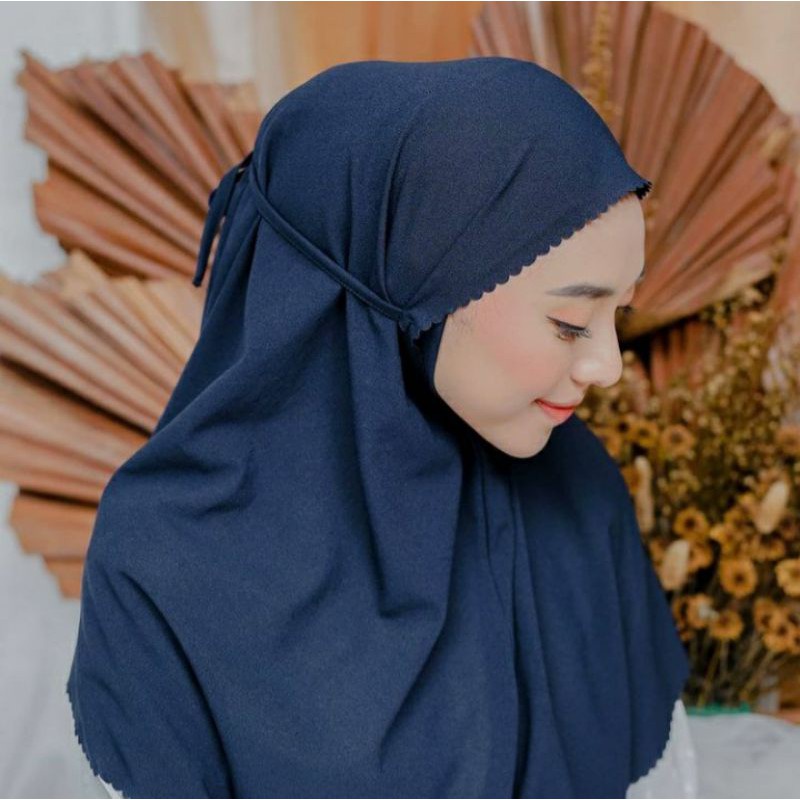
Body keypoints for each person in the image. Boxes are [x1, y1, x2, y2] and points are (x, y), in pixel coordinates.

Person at [66, 56, 696, 798]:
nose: (609, 366)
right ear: (409, 281)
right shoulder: (164, 555)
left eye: (621, 314)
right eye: (570, 321)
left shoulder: (578, 492)